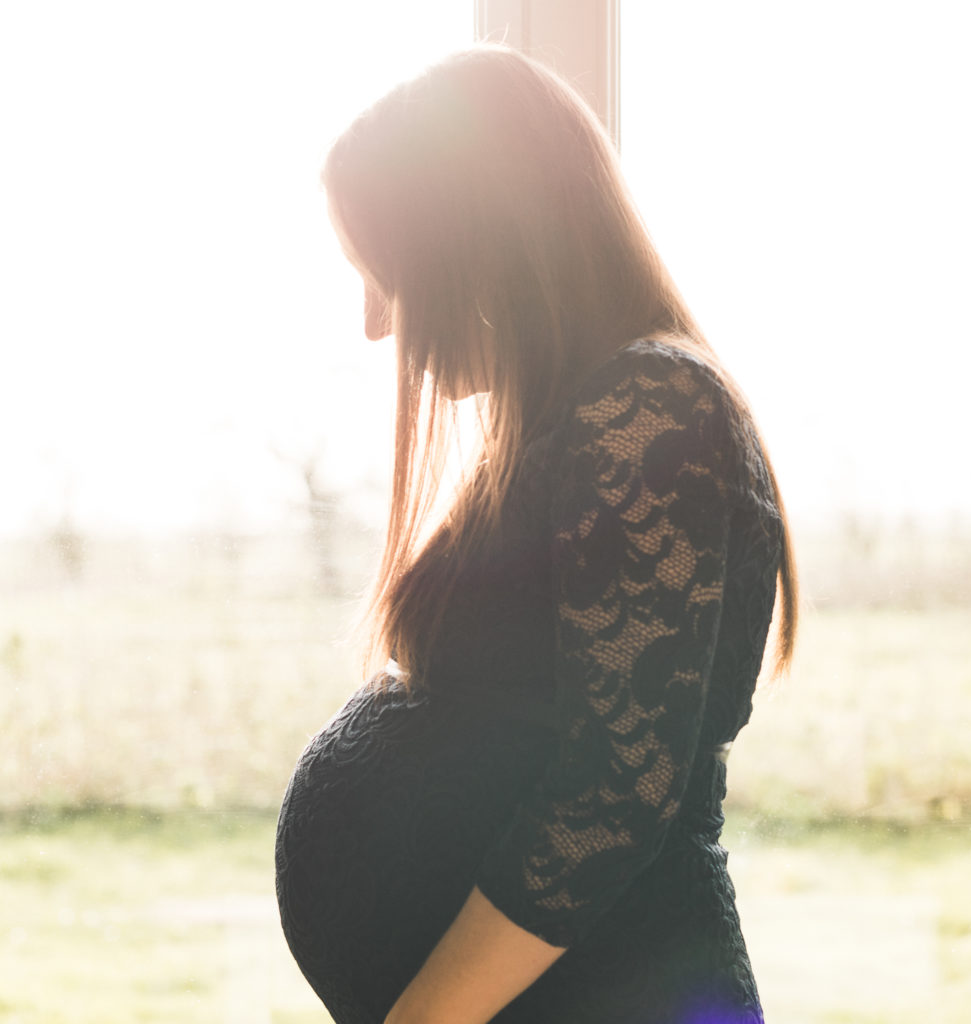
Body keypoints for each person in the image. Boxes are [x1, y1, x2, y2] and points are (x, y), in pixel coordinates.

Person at [275, 44, 797, 1024]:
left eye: (385, 274)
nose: (376, 324)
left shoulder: (650, 405)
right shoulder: (576, 420)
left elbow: (617, 784)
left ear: (479, 239)